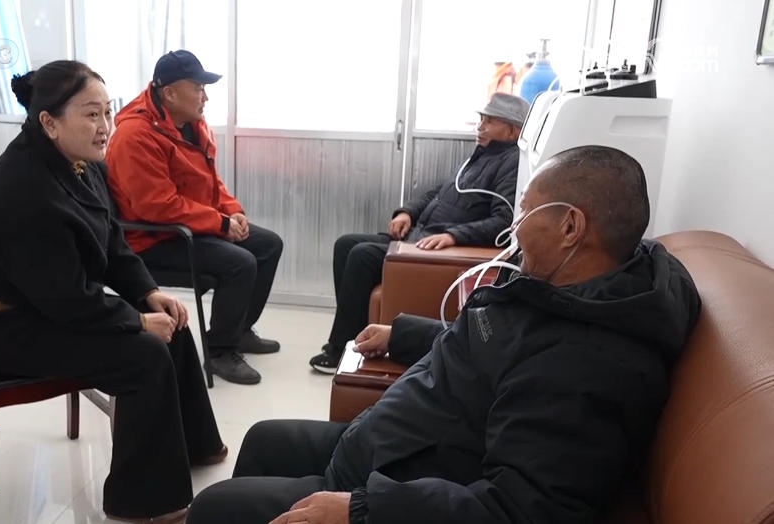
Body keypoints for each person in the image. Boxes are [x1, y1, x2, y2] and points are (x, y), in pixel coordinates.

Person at [186, 145, 702, 524]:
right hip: (392, 445)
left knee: (215, 508)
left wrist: (362, 509)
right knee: (262, 437)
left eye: (526, 211)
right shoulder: (570, 291)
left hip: (397, 486)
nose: (515, 226)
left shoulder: (589, 365)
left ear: (571, 227)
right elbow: (497, 348)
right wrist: (404, 334)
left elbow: (521, 510)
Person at [0, 60, 224, 523]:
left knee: (171, 325)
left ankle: (194, 446)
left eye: (108, 112)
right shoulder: (22, 187)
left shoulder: (81, 163)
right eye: (92, 114)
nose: (105, 127)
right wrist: (137, 322)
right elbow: (66, 298)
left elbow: (112, 244)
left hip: (48, 305)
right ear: (49, 122)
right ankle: (141, 504)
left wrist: (148, 293)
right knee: (144, 353)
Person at [310, 92, 530, 373]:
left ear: (512, 131)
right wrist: (407, 212)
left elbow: (503, 221)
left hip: (434, 245)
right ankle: (351, 334)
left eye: (490, 121)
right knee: (345, 245)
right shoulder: (478, 157)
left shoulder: (510, 163)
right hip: (418, 234)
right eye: (481, 119)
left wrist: (455, 236)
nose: (480, 126)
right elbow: (436, 193)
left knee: (362, 255)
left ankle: (341, 347)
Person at [106, 50, 284, 386]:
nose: (205, 97)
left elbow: (211, 182)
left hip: (188, 225)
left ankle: (239, 330)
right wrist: (219, 224)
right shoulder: (135, 136)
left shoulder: (191, 123)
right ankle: (220, 352)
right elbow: (156, 206)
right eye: (198, 88)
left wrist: (232, 211)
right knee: (240, 263)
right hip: (153, 238)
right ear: (170, 93)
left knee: (268, 245)